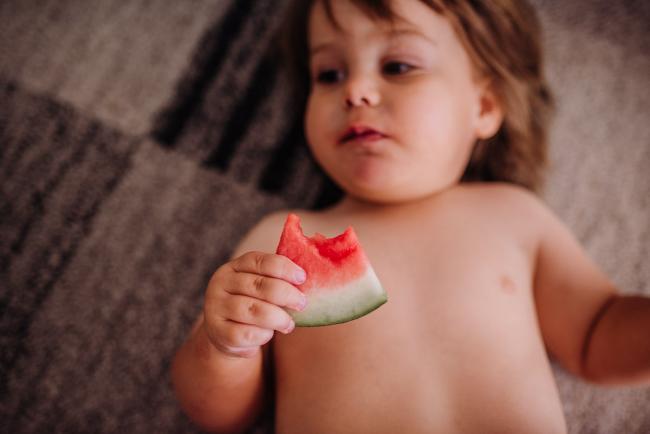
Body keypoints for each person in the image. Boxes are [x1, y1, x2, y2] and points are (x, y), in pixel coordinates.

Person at [171, 0, 650, 432]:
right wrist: (225, 347)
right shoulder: (278, 239)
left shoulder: (513, 214)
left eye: (398, 66)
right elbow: (224, 416)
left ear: (483, 106)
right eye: (329, 74)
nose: (355, 90)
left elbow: (594, 336)